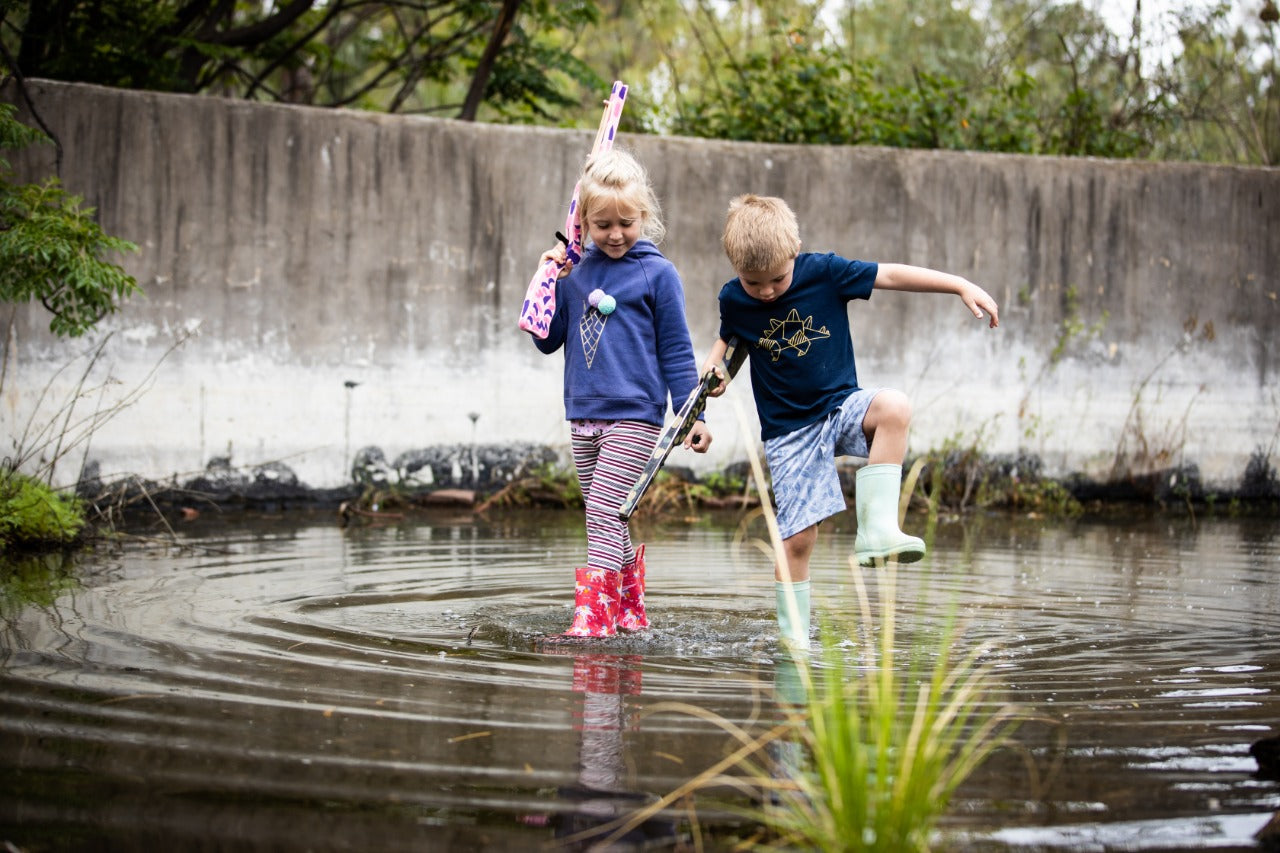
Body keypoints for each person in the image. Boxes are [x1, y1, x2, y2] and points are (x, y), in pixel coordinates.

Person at [702, 194, 999, 649]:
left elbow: (892, 274)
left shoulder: (824, 272)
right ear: (736, 269)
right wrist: (716, 376)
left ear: (794, 250)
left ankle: (876, 530)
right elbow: (725, 346)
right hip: (789, 434)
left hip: (841, 407)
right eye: (753, 282)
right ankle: (794, 639)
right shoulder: (733, 298)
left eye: (776, 280)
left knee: (894, 406)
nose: (764, 292)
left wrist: (958, 284)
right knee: (798, 540)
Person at [530, 148, 712, 639]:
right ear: (583, 220)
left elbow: (676, 351)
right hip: (583, 413)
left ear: (644, 216)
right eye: (602, 224)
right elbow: (548, 340)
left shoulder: (658, 274)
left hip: (636, 413)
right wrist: (548, 281)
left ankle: (594, 622)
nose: (614, 234)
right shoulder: (575, 272)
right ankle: (630, 614)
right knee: (607, 515)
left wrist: (691, 416)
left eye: (626, 223)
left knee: (602, 509)